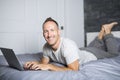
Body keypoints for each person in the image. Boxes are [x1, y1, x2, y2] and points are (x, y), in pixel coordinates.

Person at [24, 17, 120, 71]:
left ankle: (107, 31)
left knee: (113, 54)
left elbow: (74, 69)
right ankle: (100, 33)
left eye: (52, 30)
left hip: (92, 55)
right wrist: (34, 64)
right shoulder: (46, 47)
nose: (49, 35)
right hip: (81, 51)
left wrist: (50, 66)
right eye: (46, 31)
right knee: (92, 46)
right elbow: (43, 63)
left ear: (58, 32)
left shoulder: (67, 45)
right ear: (43, 34)